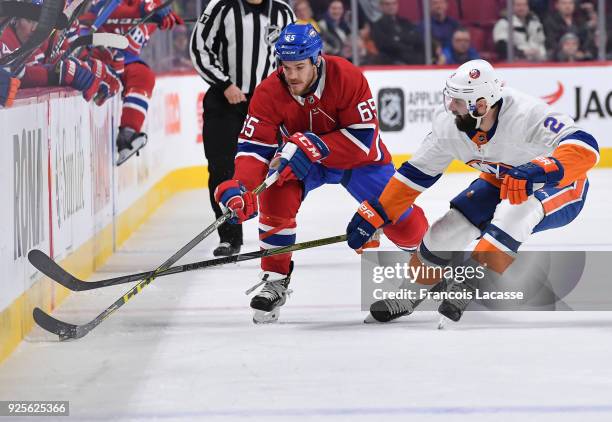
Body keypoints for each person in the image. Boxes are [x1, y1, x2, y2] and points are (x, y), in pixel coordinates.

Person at [346, 59, 599, 323]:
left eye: (457, 101)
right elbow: (415, 174)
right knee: (445, 231)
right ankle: (409, 295)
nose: (450, 107)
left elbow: (585, 146)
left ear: (481, 105)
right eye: (450, 97)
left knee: (514, 215)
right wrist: (377, 212)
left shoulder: (527, 114)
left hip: (559, 184)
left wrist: (540, 169)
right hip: (503, 180)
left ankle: (471, 282)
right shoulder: (448, 123)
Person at [214, 23, 428, 323]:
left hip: (357, 161)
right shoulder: (269, 91)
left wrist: (312, 144)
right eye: (285, 67)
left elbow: (363, 140)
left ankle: (430, 262)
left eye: (299, 67)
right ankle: (275, 278)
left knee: (398, 214)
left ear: (317, 59)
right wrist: (243, 188)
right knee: (275, 194)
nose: (291, 75)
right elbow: (253, 149)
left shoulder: (347, 76)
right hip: (304, 163)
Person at [190, 0, 295, 257]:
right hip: (225, 102)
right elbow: (199, 48)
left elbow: (293, 57)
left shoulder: (283, 12)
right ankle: (229, 236)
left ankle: (272, 235)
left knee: (273, 168)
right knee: (222, 167)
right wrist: (225, 84)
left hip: (267, 106)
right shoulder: (221, 6)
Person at [83, 0, 184, 166]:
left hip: (126, 59)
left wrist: (162, 17)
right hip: (96, 51)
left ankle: (128, 134)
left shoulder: (154, 3)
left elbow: (156, 12)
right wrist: (142, 10)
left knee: (143, 76)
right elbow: (98, 13)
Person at [371, 0, 423, 64]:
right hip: (391, 61)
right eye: (387, 4)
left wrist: (399, 39)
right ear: (381, 6)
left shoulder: (406, 22)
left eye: (394, 3)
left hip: (412, 58)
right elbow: (384, 45)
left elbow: (417, 39)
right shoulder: (377, 25)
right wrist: (405, 41)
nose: (391, 7)